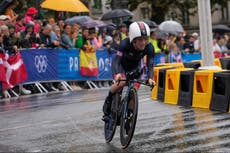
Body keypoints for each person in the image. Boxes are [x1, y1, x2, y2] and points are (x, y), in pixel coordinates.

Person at [102, 21, 155, 120]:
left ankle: (129, 116)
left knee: (134, 89)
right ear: (133, 40)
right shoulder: (125, 44)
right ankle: (108, 101)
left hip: (135, 68)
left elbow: (150, 65)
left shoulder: (149, 47)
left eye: (145, 39)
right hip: (121, 66)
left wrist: (150, 78)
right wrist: (117, 74)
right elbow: (117, 61)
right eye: (140, 40)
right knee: (122, 83)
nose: (143, 42)